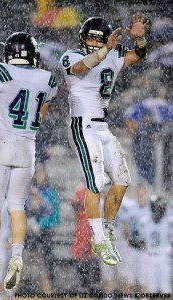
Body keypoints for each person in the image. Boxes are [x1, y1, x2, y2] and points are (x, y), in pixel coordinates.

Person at [0, 31, 57, 291]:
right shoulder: (47, 78)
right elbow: (41, 116)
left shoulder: (0, 72)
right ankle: (16, 257)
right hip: (27, 145)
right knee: (17, 205)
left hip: (1, 141)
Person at [59, 13, 149, 266]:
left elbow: (137, 56)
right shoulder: (72, 55)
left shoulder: (113, 54)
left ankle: (107, 229)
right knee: (96, 181)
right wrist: (105, 50)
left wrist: (140, 40)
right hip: (81, 124)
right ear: (83, 39)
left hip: (102, 126)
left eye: (99, 41)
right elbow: (79, 68)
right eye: (91, 39)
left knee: (122, 181)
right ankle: (97, 238)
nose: (95, 44)